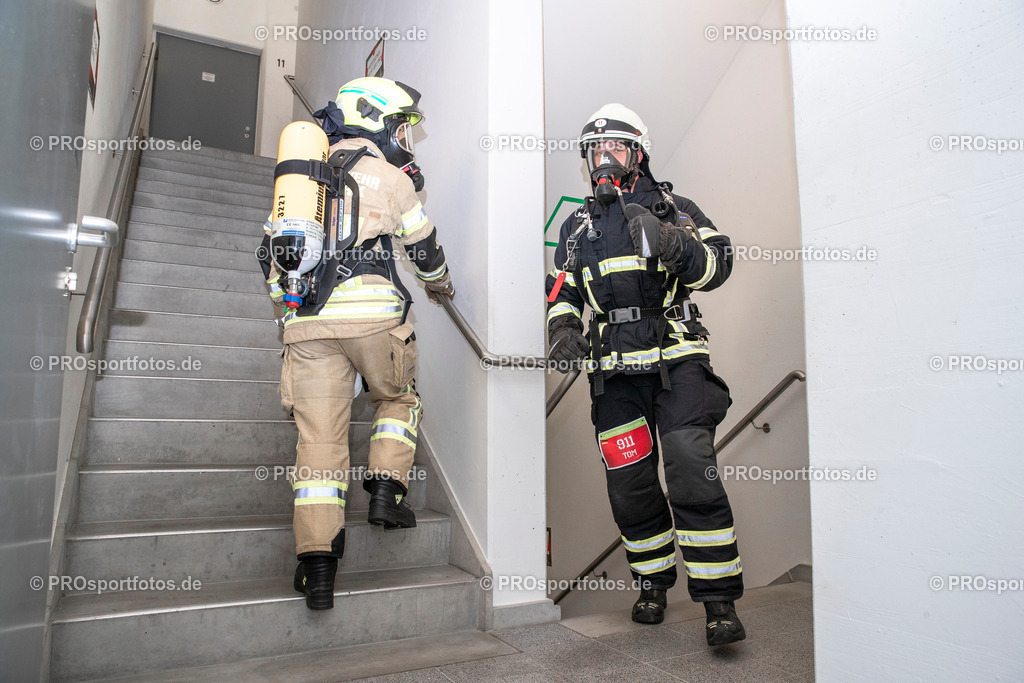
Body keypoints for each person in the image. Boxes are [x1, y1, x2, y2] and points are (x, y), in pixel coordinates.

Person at [545, 103, 745, 645]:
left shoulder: (676, 208)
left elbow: (720, 265)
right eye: (593, 151)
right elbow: (561, 294)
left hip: (676, 360)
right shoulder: (576, 227)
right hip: (612, 375)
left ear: (638, 154)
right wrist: (562, 329)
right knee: (630, 487)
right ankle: (652, 584)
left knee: (690, 468)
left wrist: (676, 243)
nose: (602, 159)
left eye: (614, 148)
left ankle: (719, 600)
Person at [258, 77, 454, 611]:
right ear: (376, 120)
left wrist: (291, 308)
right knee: (397, 399)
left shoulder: (297, 182)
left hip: (306, 325)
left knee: (319, 446)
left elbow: (276, 267)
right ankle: (387, 491)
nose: (403, 137)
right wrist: (440, 285)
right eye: (399, 125)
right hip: (370, 319)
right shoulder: (390, 178)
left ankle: (317, 567)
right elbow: (424, 249)